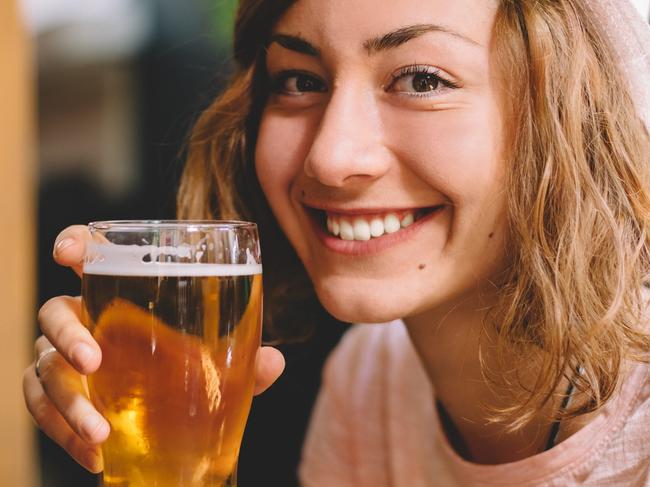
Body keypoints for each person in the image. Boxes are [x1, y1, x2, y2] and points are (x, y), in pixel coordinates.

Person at [23, 0, 650, 485]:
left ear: (570, 110)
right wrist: (136, 422)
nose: (330, 157)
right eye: (298, 80)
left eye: (423, 80)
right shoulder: (369, 381)